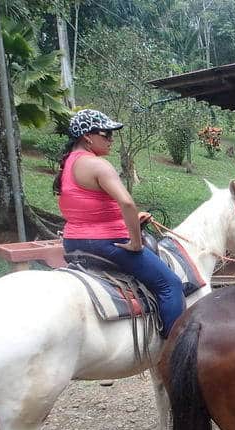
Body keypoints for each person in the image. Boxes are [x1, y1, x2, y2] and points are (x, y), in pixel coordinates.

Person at [54, 109, 186, 338]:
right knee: (170, 284)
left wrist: (132, 220)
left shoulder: (68, 164)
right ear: (87, 136)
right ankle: (173, 349)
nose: (111, 140)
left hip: (74, 240)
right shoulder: (99, 166)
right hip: (106, 242)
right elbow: (126, 202)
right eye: (106, 134)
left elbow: (88, 206)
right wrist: (135, 242)